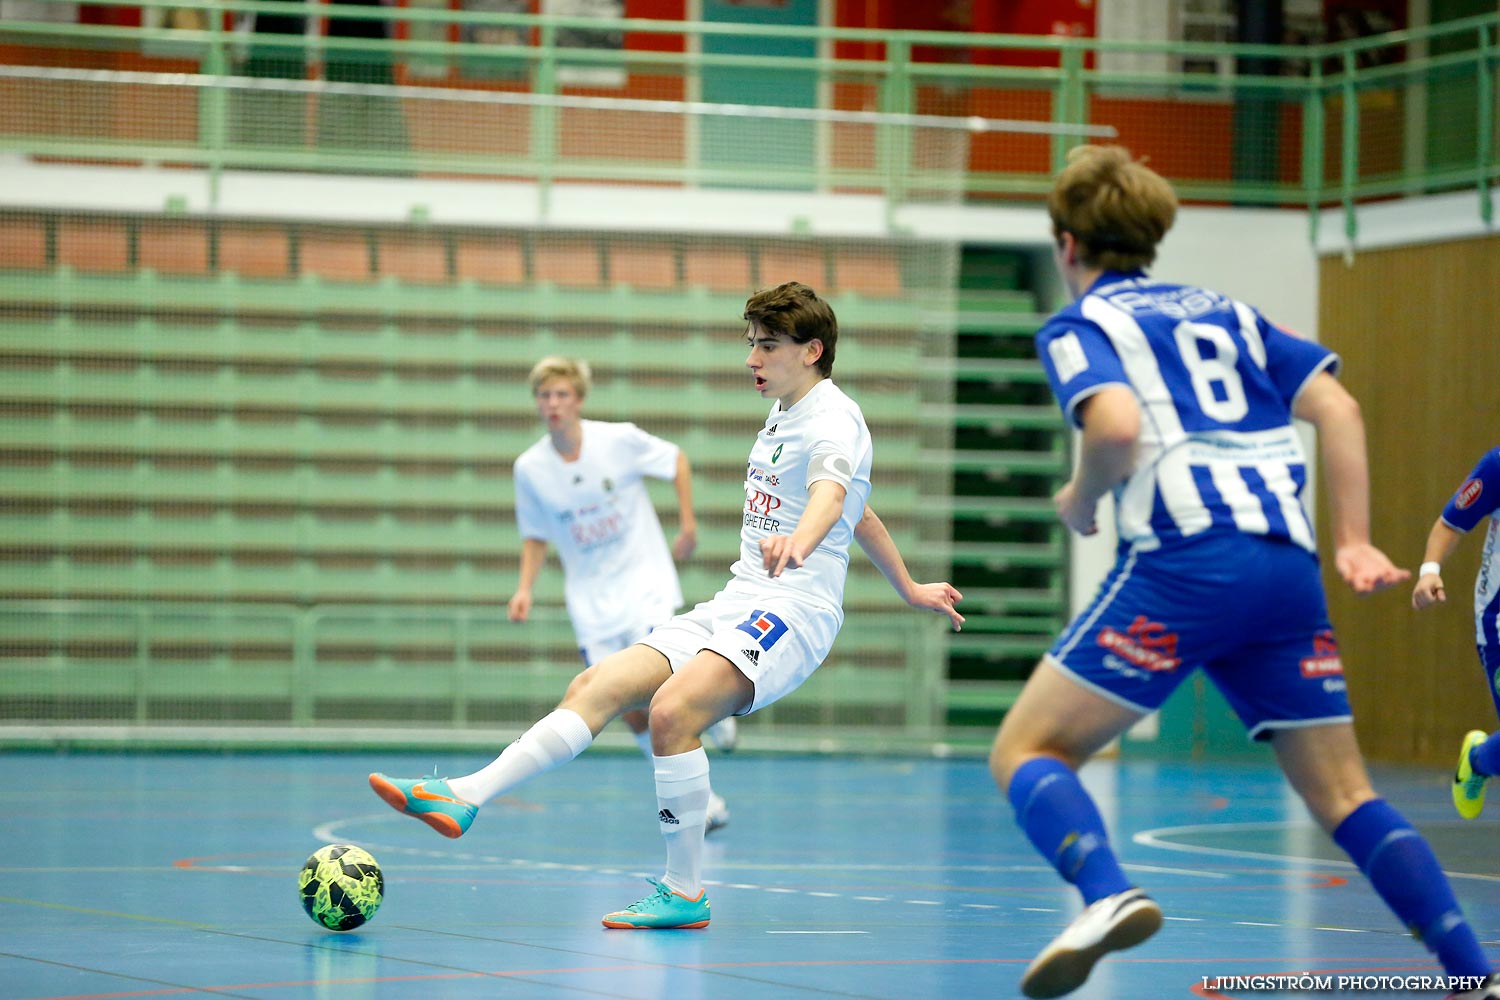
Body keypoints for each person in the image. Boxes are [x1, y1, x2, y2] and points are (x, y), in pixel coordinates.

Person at [987, 145, 1498, 1000]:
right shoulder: (1232, 313)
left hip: (1188, 558)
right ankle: (1473, 975)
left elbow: (1113, 428)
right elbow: (1337, 403)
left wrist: (1079, 497)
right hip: (1285, 567)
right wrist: (1354, 541)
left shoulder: (1082, 325)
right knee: (1345, 796)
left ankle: (1107, 893)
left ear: (1066, 245)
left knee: (1027, 749)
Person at [370, 282, 965, 928]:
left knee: (670, 713)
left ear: (812, 350)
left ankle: (684, 893)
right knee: (597, 683)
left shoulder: (832, 418)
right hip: (742, 595)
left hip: (795, 611)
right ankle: (464, 795)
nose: (752, 360)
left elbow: (832, 495)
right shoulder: (784, 412)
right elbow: (862, 510)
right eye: (751, 345)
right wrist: (909, 585)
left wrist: (803, 538)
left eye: (768, 346)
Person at [505, 355, 732, 833]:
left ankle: (714, 715)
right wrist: (524, 588)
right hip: (592, 603)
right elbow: (535, 534)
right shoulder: (530, 468)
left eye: (562, 394)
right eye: (545, 396)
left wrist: (688, 526)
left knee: (667, 687)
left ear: (579, 400)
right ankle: (706, 801)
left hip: (643, 582)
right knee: (629, 710)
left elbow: (677, 461)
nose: (553, 404)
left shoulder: (618, 440)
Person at [1412, 446, 1500, 820]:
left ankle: (1478, 759)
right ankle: (1478, 762)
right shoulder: (1496, 466)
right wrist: (1429, 570)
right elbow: (1451, 523)